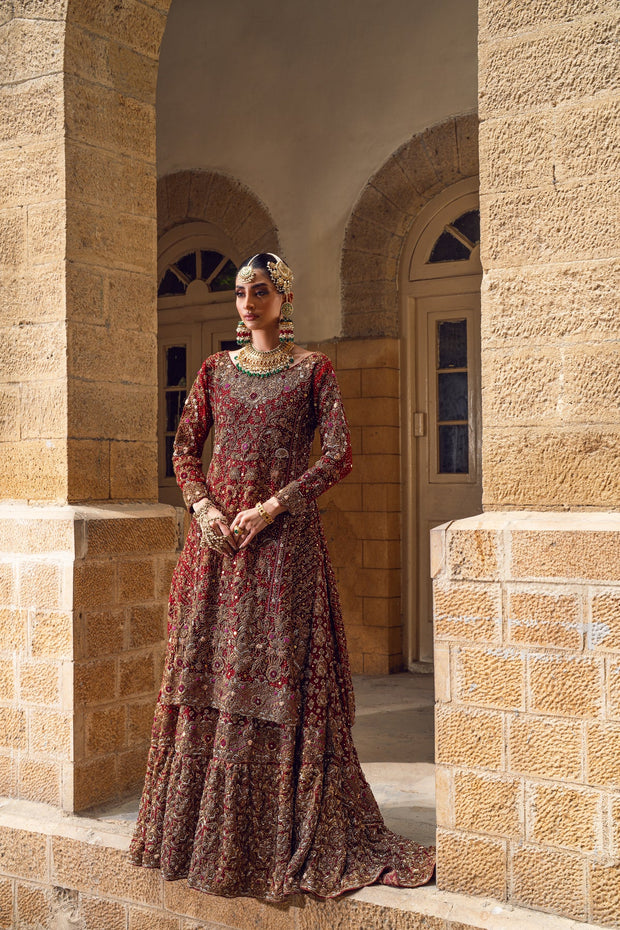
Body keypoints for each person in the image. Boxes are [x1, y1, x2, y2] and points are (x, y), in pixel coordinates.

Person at [129, 252, 435, 899]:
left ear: (282, 297)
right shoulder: (215, 371)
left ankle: (281, 837)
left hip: (283, 548)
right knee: (211, 675)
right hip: (218, 550)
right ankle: (206, 836)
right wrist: (205, 506)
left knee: (280, 680)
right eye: (240, 292)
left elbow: (339, 454)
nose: (246, 302)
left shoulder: (312, 370)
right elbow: (184, 449)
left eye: (259, 291)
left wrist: (274, 504)